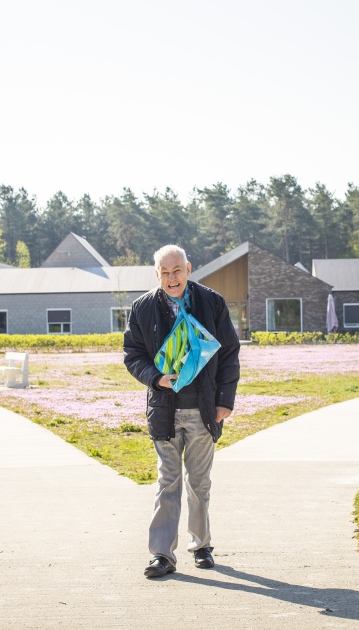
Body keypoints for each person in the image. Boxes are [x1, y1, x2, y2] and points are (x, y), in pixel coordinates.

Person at [123, 244, 240, 578]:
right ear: (156, 275)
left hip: (204, 411)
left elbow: (230, 353)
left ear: (188, 268)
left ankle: (201, 545)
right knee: (167, 482)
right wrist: (155, 377)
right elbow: (132, 355)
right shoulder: (142, 308)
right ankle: (162, 554)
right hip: (165, 409)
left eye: (177, 271)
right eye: (165, 273)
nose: (172, 278)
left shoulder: (211, 302)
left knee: (199, 483)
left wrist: (224, 402)